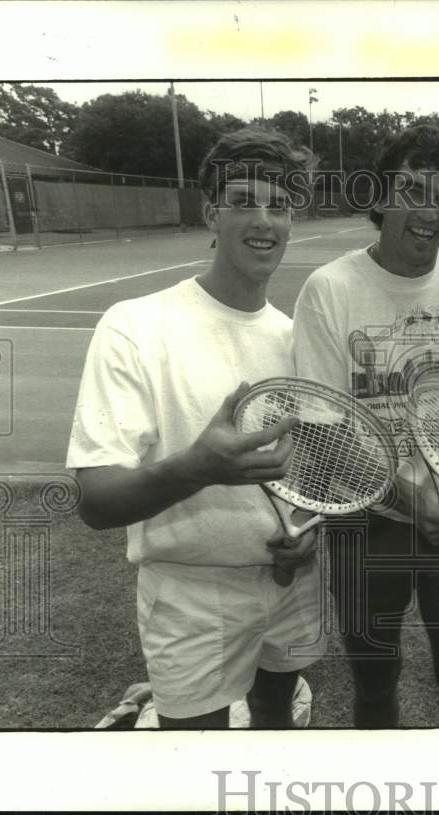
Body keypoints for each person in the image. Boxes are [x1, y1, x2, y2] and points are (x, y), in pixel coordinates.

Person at [67, 127, 324, 729]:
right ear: (212, 211)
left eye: (280, 205)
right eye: (243, 200)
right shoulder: (135, 325)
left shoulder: (297, 339)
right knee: (195, 755)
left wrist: (312, 532)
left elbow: (313, 471)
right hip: (189, 594)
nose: (263, 220)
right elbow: (95, 501)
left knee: (275, 723)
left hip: (292, 583)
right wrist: (197, 467)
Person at [292, 124, 439, 727]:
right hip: (366, 521)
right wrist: (410, 501)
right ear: (381, 196)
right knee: (375, 687)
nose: (429, 212)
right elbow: (323, 435)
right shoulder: (328, 290)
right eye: (413, 189)